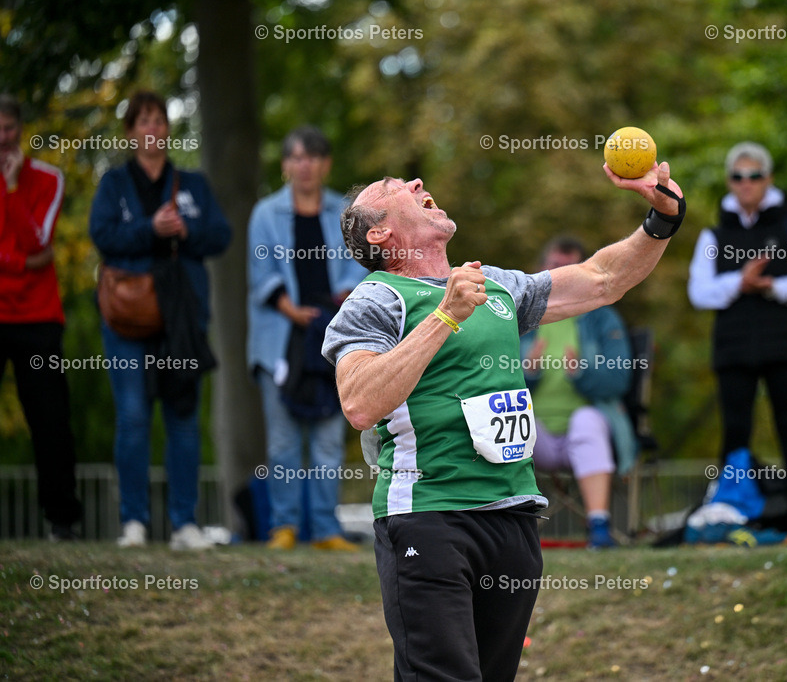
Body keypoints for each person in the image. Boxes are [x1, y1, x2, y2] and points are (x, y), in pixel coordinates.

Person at [322, 161, 685, 680]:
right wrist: (444, 317)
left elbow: (602, 279)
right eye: (396, 188)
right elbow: (358, 402)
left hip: (512, 517)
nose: (419, 183)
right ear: (379, 232)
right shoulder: (377, 298)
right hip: (428, 517)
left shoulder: (492, 287)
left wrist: (662, 219)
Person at [89, 90, 231, 549]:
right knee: (132, 418)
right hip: (127, 321)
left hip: (181, 322)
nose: (153, 129)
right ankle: (133, 522)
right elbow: (102, 235)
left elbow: (221, 235)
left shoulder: (192, 184)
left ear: (168, 130)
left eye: (160, 120)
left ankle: (184, 524)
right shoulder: (113, 184)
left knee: (183, 419)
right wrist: (150, 229)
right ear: (131, 132)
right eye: (143, 121)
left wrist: (185, 231)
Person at [247, 126, 367, 551]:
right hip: (280, 340)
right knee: (282, 441)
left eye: (313, 157)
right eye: (297, 157)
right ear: (285, 165)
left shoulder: (343, 212)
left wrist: (342, 300)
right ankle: (283, 527)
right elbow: (260, 275)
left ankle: (325, 529)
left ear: (325, 164)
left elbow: (361, 262)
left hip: (333, 336)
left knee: (329, 439)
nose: (305, 165)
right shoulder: (264, 214)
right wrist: (290, 310)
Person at [687, 142, 787, 502]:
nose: (746, 183)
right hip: (734, 350)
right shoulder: (713, 235)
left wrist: (771, 286)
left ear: (768, 179)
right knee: (735, 432)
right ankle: (733, 509)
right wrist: (739, 282)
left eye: (754, 176)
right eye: (738, 176)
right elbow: (699, 292)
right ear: (730, 182)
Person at [0, 94, 83, 540]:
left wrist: (12, 190)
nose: (2, 138)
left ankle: (62, 520)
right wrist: (20, 263)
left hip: (38, 317)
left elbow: (38, 243)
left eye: (9, 128)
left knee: (50, 421)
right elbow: (29, 258)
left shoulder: (47, 179)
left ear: (21, 129)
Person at [520, 236, 637, 548]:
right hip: (535, 433)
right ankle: (510, 533)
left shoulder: (603, 317)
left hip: (588, 433)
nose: (562, 274)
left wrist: (582, 373)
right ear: (541, 270)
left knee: (586, 420)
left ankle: (599, 528)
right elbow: (491, 383)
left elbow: (620, 379)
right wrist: (527, 372)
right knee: (510, 418)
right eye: (556, 266)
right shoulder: (519, 316)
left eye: (571, 267)